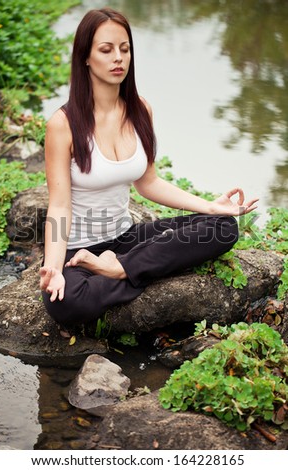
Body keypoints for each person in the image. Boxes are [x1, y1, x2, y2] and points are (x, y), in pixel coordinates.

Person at [39, 7, 258, 326]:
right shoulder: (63, 124)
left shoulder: (141, 110)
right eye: (106, 50)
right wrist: (56, 269)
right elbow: (59, 207)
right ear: (85, 57)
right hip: (78, 249)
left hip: (124, 240)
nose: (118, 58)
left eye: (125, 49)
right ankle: (133, 268)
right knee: (67, 303)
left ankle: (120, 267)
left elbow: (148, 182)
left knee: (222, 227)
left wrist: (210, 206)